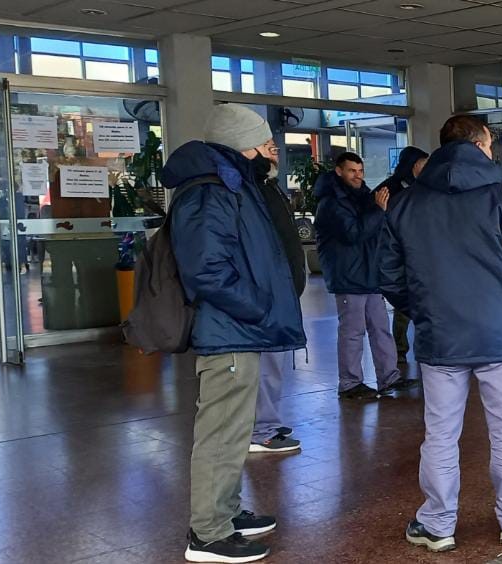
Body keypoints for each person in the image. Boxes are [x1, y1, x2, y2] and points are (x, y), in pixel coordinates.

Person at [381, 115, 502, 552]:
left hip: (440, 339)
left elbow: (389, 273)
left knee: (440, 433)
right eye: (492, 144)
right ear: (481, 145)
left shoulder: (405, 204)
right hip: (500, 336)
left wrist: (421, 312)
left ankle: (438, 524)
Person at [163, 104, 305, 563]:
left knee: (234, 429)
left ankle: (223, 511)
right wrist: (257, 308)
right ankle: (207, 534)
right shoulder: (211, 192)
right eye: (265, 143)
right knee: (222, 433)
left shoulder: (235, 184)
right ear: (241, 142)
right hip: (231, 329)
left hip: (239, 330)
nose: (272, 150)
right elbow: (206, 269)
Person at [315, 152, 412, 399]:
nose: (358, 176)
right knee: (353, 331)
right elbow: (354, 233)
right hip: (349, 277)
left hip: (369, 275)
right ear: (339, 171)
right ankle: (349, 383)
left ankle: (388, 377)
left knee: (381, 328)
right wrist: (379, 210)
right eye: (352, 171)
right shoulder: (331, 203)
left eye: (360, 171)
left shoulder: (361, 197)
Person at [249, 136, 306, 454]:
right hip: (268, 292)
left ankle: (266, 422)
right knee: (266, 363)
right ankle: (261, 431)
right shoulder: (253, 189)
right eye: (266, 144)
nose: (275, 150)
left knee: (273, 362)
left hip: (279, 290)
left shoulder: (269, 187)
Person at [376, 146, 430, 362]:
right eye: (422, 163)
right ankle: (399, 348)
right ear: (413, 164)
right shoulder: (391, 188)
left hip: (422, 251)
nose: (426, 168)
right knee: (404, 302)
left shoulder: (424, 187)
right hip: (402, 253)